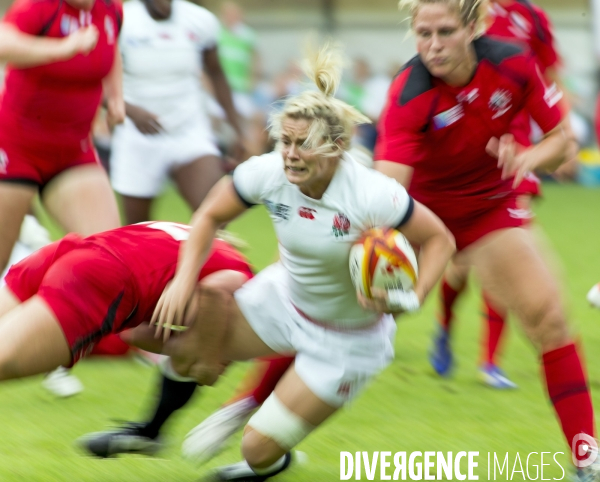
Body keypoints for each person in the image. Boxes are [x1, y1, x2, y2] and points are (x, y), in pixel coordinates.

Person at [134, 43, 456, 481]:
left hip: (350, 341)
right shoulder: (268, 171)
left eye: (303, 144)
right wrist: (183, 280)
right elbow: (209, 214)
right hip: (284, 301)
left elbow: (440, 239)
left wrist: (413, 298)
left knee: (256, 450)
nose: (289, 153)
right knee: (182, 344)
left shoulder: (372, 194)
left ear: (337, 147)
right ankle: (148, 431)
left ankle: (275, 459)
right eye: (284, 141)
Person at [374, 0, 595, 478]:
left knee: (550, 318)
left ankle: (587, 459)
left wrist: (530, 159)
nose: (433, 46)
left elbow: (561, 141)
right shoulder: (408, 93)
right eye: (423, 33)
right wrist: (371, 242)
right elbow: (386, 188)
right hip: (421, 217)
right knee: (330, 313)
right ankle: (256, 412)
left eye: (446, 32)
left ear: (473, 27)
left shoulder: (514, 63)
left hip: (488, 211)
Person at [429, 0, 565, 388]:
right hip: (464, 141)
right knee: (460, 262)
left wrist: (562, 132)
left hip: (514, 146)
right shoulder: (459, 11)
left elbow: (550, 75)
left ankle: (489, 362)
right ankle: (445, 325)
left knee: (508, 242)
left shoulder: (533, 18)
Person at [0, 0, 126, 398]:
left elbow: (111, 50)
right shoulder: (41, 6)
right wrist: (62, 48)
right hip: (15, 144)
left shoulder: (111, 11)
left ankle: (50, 347)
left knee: (112, 258)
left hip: (72, 150)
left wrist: (116, 98)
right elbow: (3, 42)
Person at [0, 221, 253, 399]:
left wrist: (186, 351)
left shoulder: (201, 242)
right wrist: (207, 360)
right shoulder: (244, 283)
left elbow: (134, 335)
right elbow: (215, 292)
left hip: (71, 250)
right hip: (97, 278)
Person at [110, 0, 245, 225]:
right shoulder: (121, 19)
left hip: (188, 131)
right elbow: (96, 78)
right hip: (138, 137)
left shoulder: (199, 19)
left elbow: (216, 73)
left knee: (216, 217)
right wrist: (131, 112)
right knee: (136, 233)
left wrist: (237, 129)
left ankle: (207, 260)